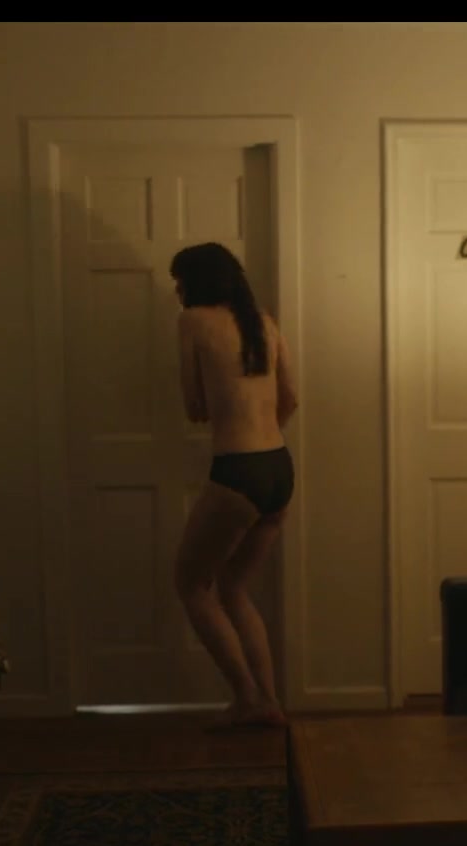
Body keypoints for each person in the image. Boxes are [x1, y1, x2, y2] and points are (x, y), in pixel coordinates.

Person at [170, 242, 298, 728]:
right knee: (234, 587)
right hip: (278, 467)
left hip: (237, 471)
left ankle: (247, 698)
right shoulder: (264, 322)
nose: (177, 291)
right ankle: (268, 702)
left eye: (180, 281)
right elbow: (291, 397)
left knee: (190, 584)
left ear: (196, 282)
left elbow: (194, 407)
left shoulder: (192, 321)